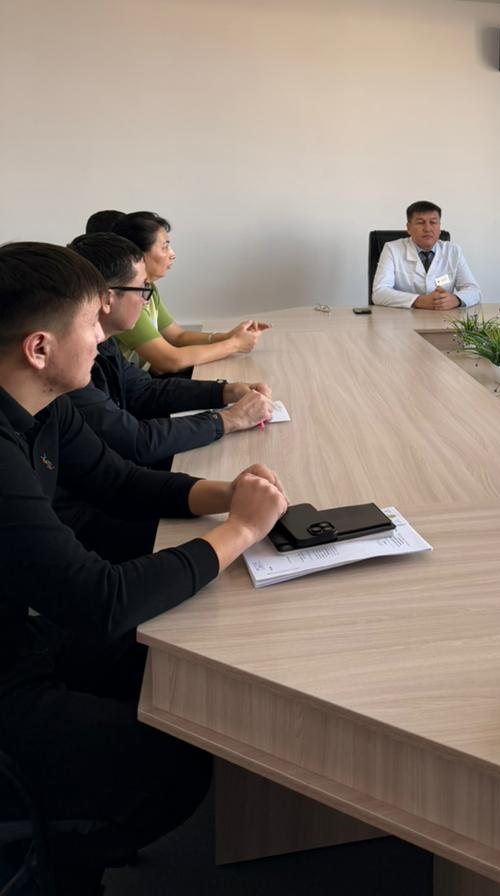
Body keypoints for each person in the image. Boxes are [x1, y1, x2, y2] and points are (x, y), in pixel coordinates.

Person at [0, 242, 287, 894]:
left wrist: (227, 494)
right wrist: (241, 531)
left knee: (164, 661)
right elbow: (98, 599)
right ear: (39, 348)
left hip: (27, 633)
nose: (106, 339)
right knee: (177, 762)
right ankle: (61, 865)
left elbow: (120, 481)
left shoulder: (45, 403)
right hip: (8, 673)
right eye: (91, 325)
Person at [65, 232, 274, 464]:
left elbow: (144, 391)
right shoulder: (71, 365)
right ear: (107, 299)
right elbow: (134, 441)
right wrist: (231, 419)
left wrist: (226, 391)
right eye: (142, 288)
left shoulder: (105, 342)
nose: (146, 300)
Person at [107, 211, 270, 373]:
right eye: (165, 247)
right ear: (138, 255)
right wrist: (235, 344)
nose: (172, 254)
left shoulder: (149, 288)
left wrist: (228, 336)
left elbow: (178, 337)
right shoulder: (126, 300)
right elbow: (169, 360)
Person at [372, 201, 481, 310]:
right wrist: (418, 300)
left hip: (442, 317)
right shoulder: (392, 249)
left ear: (439, 227)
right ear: (408, 228)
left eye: (433, 222)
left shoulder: (453, 251)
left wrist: (456, 299)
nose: (427, 229)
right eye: (420, 223)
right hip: (403, 317)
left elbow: (474, 290)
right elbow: (379, 293)